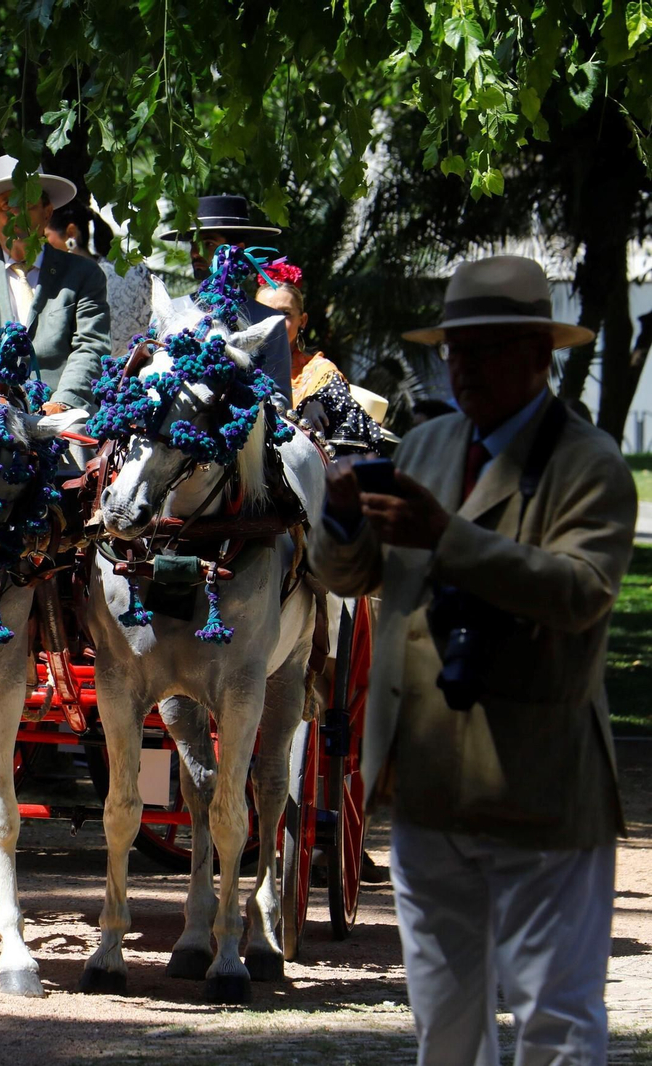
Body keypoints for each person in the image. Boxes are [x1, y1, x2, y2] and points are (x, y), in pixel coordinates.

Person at [310, 255, 634, 1065]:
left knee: (556, 1028)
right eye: (454, 348)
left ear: (538, 354)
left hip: (539, 790)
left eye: (485, 350)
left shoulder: (588, 464)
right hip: (425, 786)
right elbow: (350, 577)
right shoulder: (427, 444)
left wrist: (448, 538)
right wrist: (343, 520)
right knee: (446, 1029)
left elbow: (581, 592)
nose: (463, 366)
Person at [0, 154, 109, 412]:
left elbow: (91, 348)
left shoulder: (83, 275)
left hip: (62, 422)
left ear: (47, 213)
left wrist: (62, 403)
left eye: (27, 204)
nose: (17, 216)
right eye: (7, 207)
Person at [159, 193, 292, 403]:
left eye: (208, 244)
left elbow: (279, 400)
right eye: (193, 245)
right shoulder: (169, 311)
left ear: (237, 250)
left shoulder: (269, 321)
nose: (195, 253)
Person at [254, 261, 385, 453]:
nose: (274, 322)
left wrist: (315, 403)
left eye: (285, 313)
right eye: (264, 312)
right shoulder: (235, 365)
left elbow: (335, 398)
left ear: (303, 321)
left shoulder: (321, 371)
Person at [43, 199, 153, 353]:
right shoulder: (131, 270)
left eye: (46, 236)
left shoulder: (79, 280)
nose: (41, 244)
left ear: (70, 233)